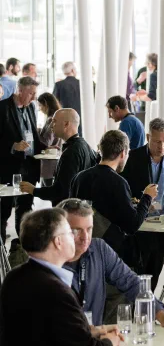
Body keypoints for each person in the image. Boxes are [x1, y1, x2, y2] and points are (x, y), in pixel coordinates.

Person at [0, 208, 123, 346]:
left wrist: (91, 331)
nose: (76, 238)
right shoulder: (57, 291)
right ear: (58, 241)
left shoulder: (13, 277)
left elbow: (41, 332)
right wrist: (110, 342)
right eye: (71, 233)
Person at [57, 198, 164, 328]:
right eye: (76, 230)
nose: (85, 237)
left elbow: (130, 282)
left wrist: (161, 315)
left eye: (89, 229)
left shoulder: (98, 249)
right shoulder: (48, 261)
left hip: (94, 341)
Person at [120, 118, 164, 287]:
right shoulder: (132, 158)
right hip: (139, 229)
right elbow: (123, 193)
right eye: (158, 142)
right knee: (136, 277)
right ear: (148, 137)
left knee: (154, 277)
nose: (162, 147)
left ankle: (148, 308)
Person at [70, 130, 157, 260]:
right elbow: (133, 225)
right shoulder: (118, 182)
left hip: (82, 248)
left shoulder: (79, 178)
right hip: (110, 252)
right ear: (123, 153)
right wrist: (147, 197)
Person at [21, 108, 98, 206]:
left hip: (68, 211)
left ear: (66, 124)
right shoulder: (84, 144)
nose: (51, 125)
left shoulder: (71, 152)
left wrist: (33, 190)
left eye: (54, 121)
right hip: (80, 208)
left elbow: (60, 191)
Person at [0, 76, 45, 241]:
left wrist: (46, 147)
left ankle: (23, 243)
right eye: (31, 93)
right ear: (19, 90)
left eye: (35, 94)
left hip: (29, 165)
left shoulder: (31, 107)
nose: (34, 98)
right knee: (5, 209)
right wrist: (13, 146)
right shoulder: (3, 108)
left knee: (26, 205)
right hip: (9, 167)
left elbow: (33, 135)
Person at [36, 92, 62, 182]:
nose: (40, 109)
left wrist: (36, 132)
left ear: (46, 104)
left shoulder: (51, 119)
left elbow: (46, 142)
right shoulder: (57, 117)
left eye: (40, 105)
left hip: (49, 163)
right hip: (53, 160)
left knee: (47, 192)